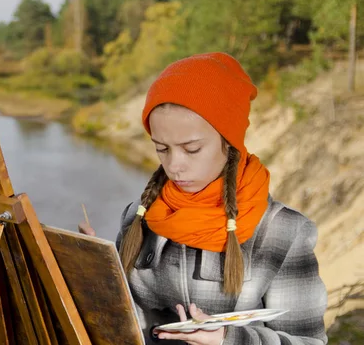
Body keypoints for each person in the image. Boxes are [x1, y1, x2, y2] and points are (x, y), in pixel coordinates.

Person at [78, 52, 328, 344]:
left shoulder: (283, 232)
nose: (174, 165)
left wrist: (227, 339)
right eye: (162, 148)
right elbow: (124, 321)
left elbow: (308, 342)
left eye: (192, 149)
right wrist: (94, 274)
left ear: (229, 140)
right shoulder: (139, 215)